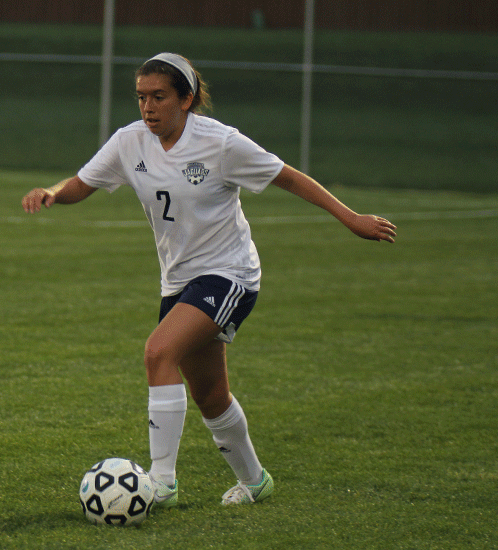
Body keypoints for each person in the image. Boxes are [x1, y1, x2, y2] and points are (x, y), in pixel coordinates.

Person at [21, 53, 396, 505]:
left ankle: (162, 482)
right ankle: (256, 482)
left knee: (158, 350)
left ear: (187, 98)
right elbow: (83, 183)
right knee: (210, 394)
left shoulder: (220, 144)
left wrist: (350, 217)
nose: (148, 107)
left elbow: (288, 178)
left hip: (229, 273)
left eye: (159, 97)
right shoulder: (130, 142)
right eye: (141, 97)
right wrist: (52, 193)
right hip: (178, 281)